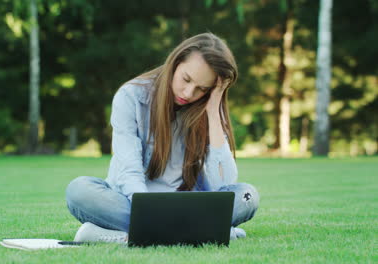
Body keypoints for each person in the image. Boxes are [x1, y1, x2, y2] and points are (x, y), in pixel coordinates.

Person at [66, 32, 259, 244]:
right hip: (135, 201)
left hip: (187, 203)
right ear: (175, 63)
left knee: (247, 196)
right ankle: (204, 231)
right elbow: (129, 170)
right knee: (79, 190)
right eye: (186, 79)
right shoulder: (130, 97)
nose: (188, 92)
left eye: (201, 89)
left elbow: (224, 184)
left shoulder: (208, 108)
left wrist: (213, 111)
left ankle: (126, 236)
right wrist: (150, 211)